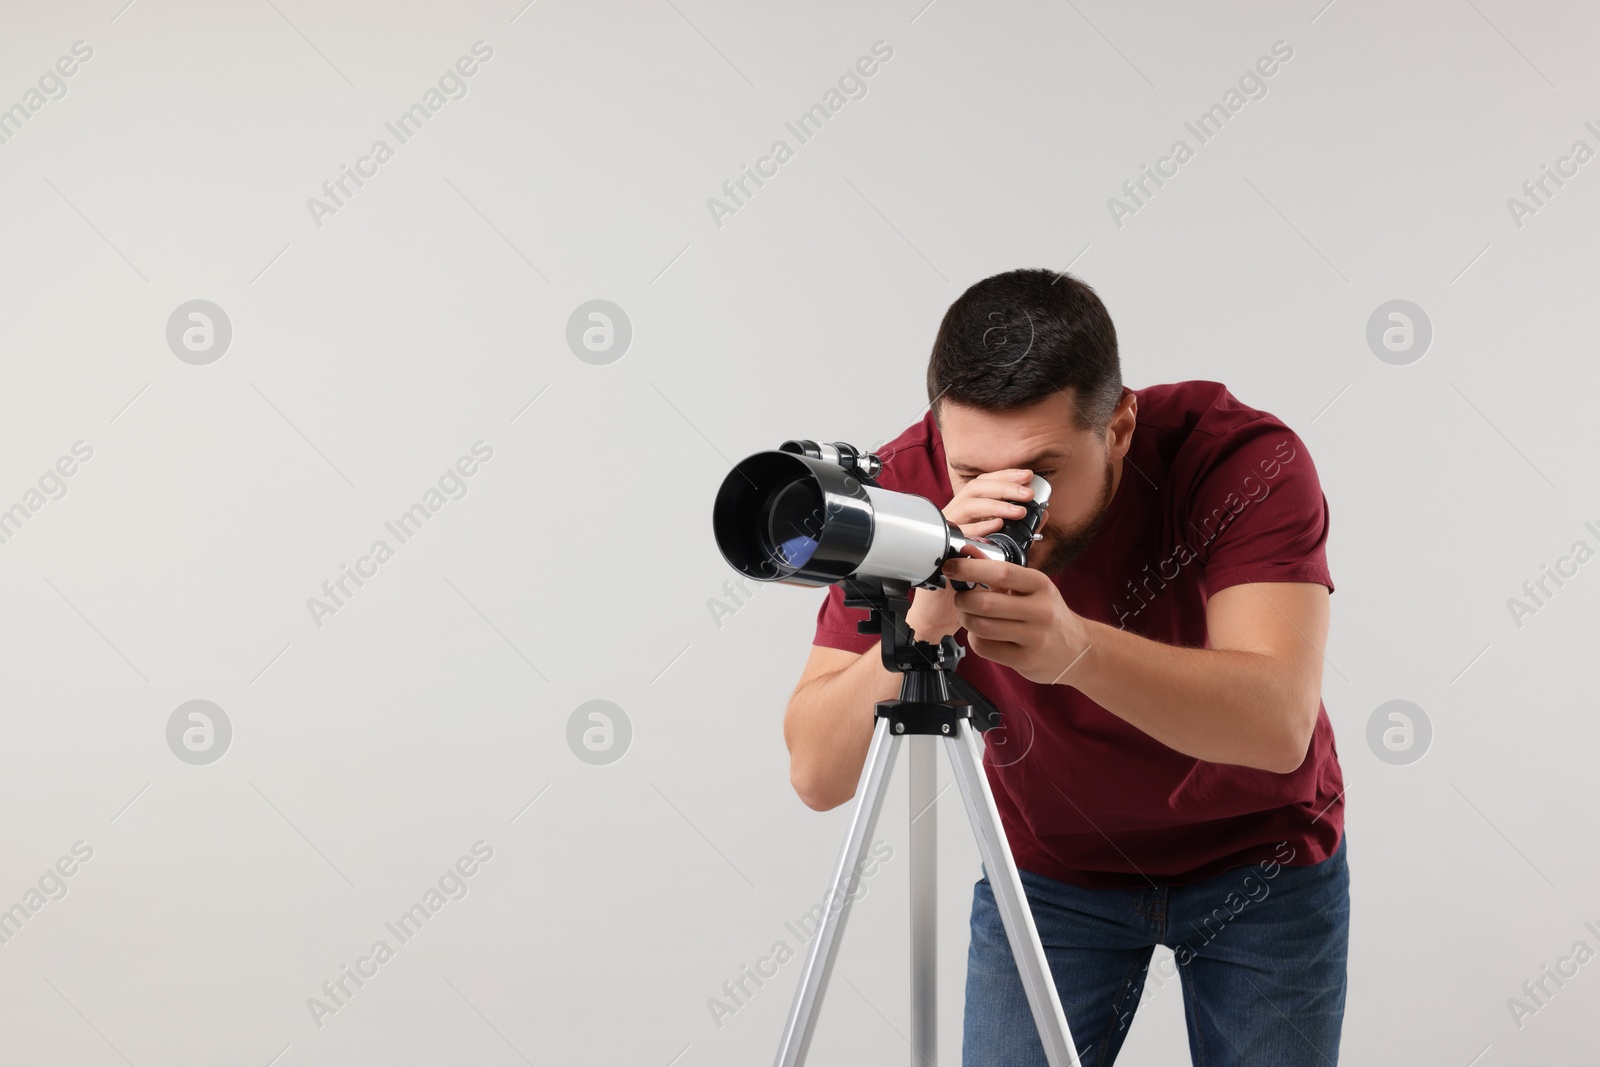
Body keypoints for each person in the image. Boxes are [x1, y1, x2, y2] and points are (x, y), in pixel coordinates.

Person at [782, 268, 1348, 1066]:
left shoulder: (1235, 459)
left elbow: (1278, 726)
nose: (1007, 502)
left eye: (1042, 467)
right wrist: (925, 613)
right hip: (1054, 872)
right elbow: (816, 771)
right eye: (973, 472)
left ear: (1118, 427)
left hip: (1258, 859)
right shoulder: (911, 486)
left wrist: (1075, 648)